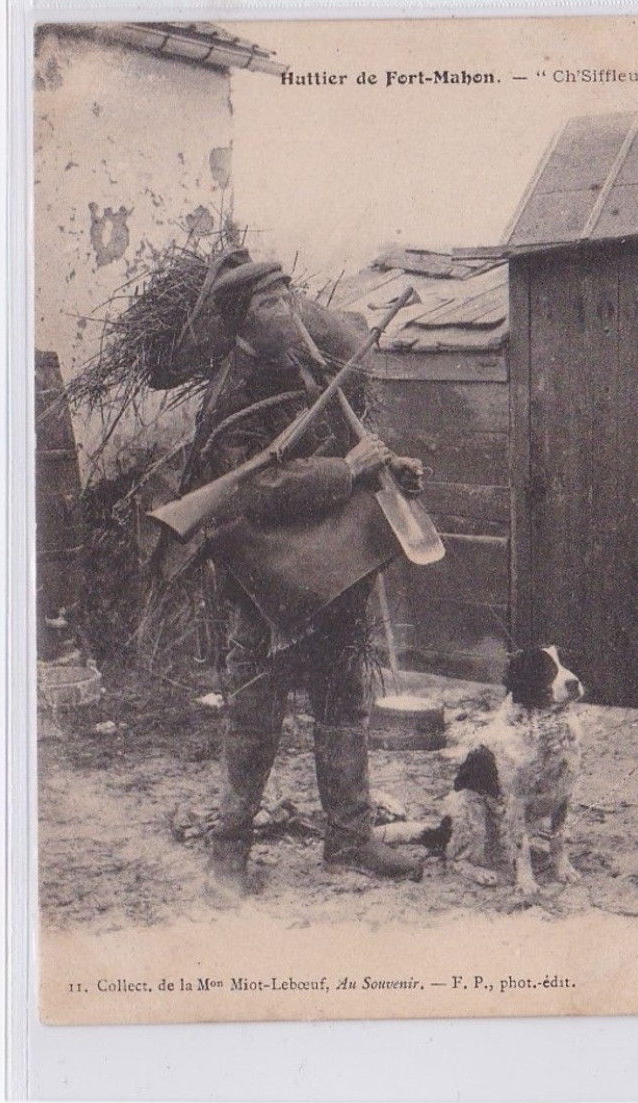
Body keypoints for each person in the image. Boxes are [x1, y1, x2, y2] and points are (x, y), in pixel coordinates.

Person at [167, 251, 426, 896]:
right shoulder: (230, 392)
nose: (288, 312)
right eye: (270, 305)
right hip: (264, 578)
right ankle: (229, 852)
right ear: (241, 324)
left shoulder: (309, 370)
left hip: (325, 568)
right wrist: (346, 472)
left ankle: (349, 839)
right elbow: (250, 488)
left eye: (288, 297)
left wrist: (388, 469)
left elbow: (344, 449)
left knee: (342, 701)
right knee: (254, 713)